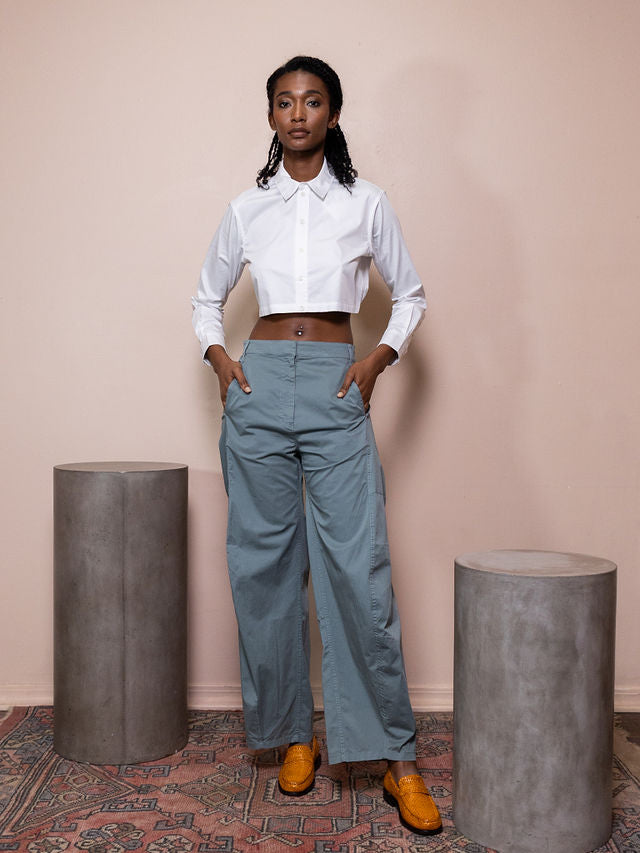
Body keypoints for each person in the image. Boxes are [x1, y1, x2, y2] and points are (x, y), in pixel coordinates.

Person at [192, 56, 441, 836]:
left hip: (337, 383)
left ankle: (395, 756)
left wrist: (376, 359)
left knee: (358, 570)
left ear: (333, 114)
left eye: (313, 101)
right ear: (270, 117)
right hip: (260, 383)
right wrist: (223, 362)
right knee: (262, 566)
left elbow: (411, 294)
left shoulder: (367, 204)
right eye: (283, 102)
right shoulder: (246, 207)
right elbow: (207, 300)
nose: (297, 113)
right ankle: (293, 734)